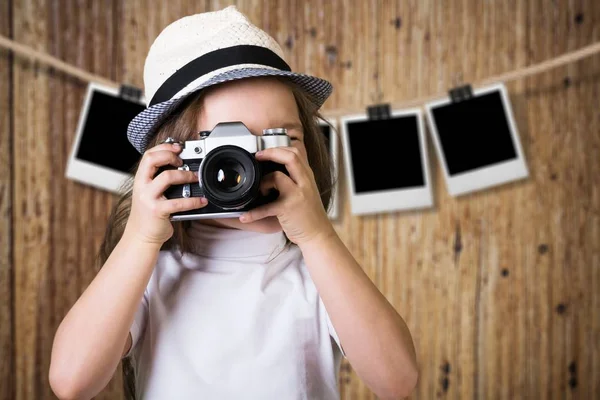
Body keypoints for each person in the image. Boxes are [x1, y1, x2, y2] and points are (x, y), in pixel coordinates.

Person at [49, 6, 418, 400]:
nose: (252, 167)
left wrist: (317, 237)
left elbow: (396, 382)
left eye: (278, 140)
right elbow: (72, 382)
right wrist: (139, 239)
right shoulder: (149, 272)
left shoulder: (318, 272)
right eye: (227, 149)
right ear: (171, 156)